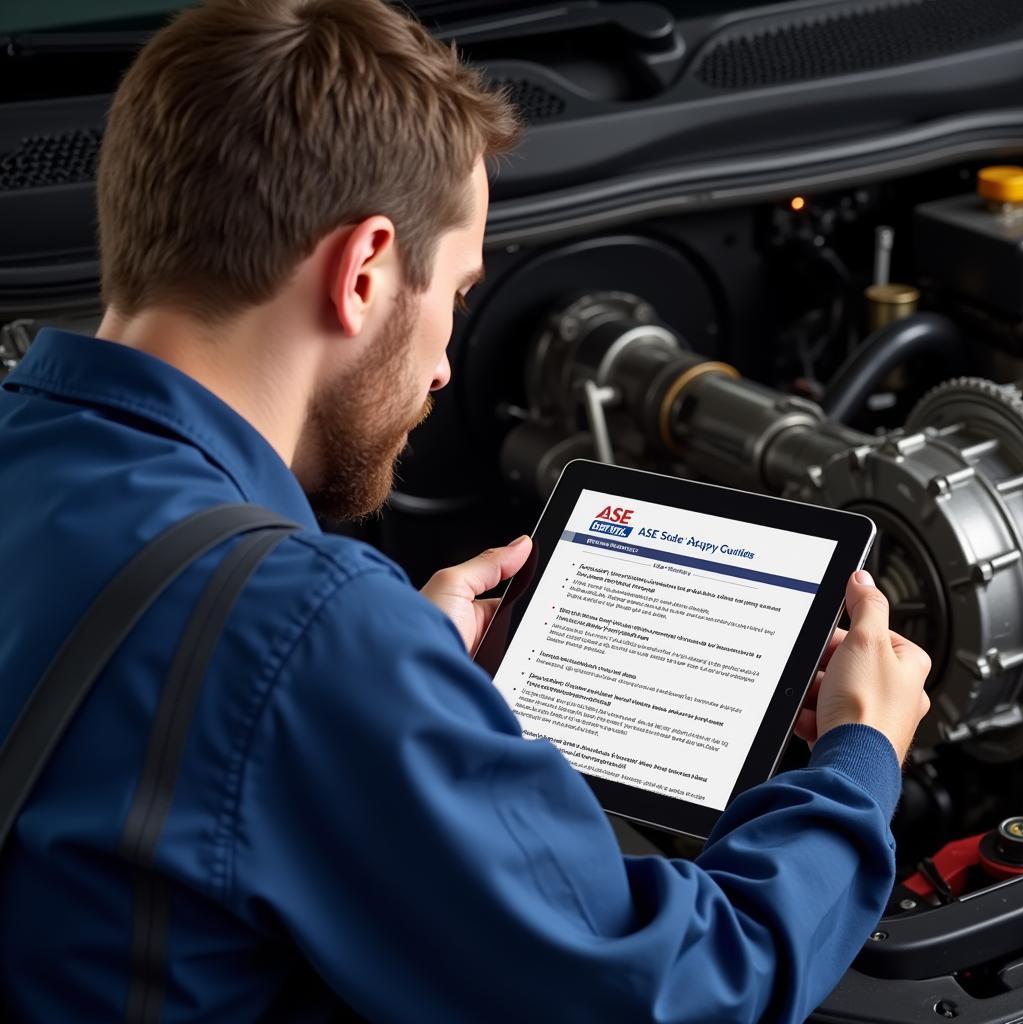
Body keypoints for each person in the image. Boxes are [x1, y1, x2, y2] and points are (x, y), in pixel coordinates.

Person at [0, 0, 931, 1020]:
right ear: (361, 273)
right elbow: (682, 987)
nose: (446, 363)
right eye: (455, 291)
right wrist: (858, 759)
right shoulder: (303, 632)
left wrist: (400, 669)